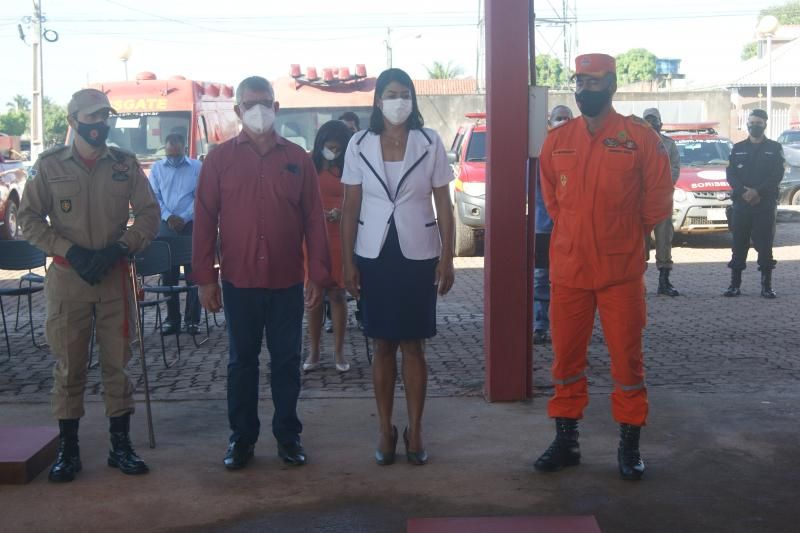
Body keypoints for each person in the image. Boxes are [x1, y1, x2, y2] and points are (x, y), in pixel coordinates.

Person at [535, 54, 673, 481]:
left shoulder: (639, 138)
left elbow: (657, 198)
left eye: (593, 82)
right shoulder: (558, 140)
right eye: (579, 82)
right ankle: (567, 441)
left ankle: (629, 445)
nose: (584, 90)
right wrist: (578, 232)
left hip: (620, 272)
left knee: (627, 364)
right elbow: (552, 201)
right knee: (565, 360)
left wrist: (628, 234)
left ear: (612, 86)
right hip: (569, 269)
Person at [18, 88, 160, 482]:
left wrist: (122, 246)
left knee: (117, 365)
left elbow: (149, 214)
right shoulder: (48, 166)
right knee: (69, 368)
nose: (99, 124)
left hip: (114, 278)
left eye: (104, 117)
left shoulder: (124, 164)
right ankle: (69, 449)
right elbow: (28, 219)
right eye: (92, 117)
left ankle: (120, 446)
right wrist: (68, 250)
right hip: (69, 280)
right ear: (73, 120)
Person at [192, 76, 332, 470]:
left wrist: (318, 273)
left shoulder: (298, 159)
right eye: (250, 104)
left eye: (265, 102)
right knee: (242, 363)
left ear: (276, 107)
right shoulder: (218, 160)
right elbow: (205, 220)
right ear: (238, 110)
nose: (258, 110)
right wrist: (205, 278)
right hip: (239, 281)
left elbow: (314, 220)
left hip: (287, 280)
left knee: (286, 361)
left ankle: (288, 436)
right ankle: (242, 439)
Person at [341, 68, 455, 466]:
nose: (398, 101)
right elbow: (350, 207)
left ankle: (416, 430)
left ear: (413, 100)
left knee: (414, 344)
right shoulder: (358, 143)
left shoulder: (430, 141)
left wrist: (448, 256)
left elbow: (444, 203)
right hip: (374, 254)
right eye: (391, 94)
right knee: (382, 344)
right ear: (378, 100)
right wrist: (347, 261)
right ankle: (385, 429)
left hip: (418, 253)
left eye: (405, 94)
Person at [303, 120, 354, 373]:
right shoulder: (308, 164)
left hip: (339, 236)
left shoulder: (349, 167)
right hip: (312, 236)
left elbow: (358, 199)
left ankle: (339, 351)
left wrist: (342, 213)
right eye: (329, 147)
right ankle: (313, 351)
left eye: (337, 148)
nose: (332, 152)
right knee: (313, 295)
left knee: (337, 294)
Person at [723, 109, 785, 299]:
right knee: (738, 244)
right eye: (751, 123)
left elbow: (777, 175)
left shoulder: (774, 148)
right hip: (741, 204)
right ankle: (734, 285)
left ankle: (766, 286)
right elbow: (731, 174)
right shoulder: (738, 148)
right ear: (747, 124)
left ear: (765, 124)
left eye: (758, 123)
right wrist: (743, 191)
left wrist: (757, 191)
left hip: (764, 204)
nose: (754, 126)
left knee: (765, 244)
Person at [148, 133, 203, 334]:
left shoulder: (197, 167)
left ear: (184, 149)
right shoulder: (157, 168)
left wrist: (185, 217)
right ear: (165, 150)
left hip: (190, 224)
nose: (173, 158)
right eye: (170, 155)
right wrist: (169, 217)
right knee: (168, 274)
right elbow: (154, 197)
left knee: (193, 274)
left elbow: (200, 197)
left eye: (177, 154)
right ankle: (172, 320)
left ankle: (192, 320)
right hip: (166, 224)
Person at [533, 105, 573, 345]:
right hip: (544, 227)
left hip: (572, 229)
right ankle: (540, 326)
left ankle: (568, 327)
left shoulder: (581, 152)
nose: (563, 122)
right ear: (549, 122)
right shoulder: (542, 152)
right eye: (559, 118)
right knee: (541, 276)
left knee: (571, 279)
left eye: (567, 118)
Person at [642, 108, 682, 297]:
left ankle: (664, 281)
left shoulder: (669, 144)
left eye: (654, 120)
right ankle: (638, 282)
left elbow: (675, 169)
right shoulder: (636, 142)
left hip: (662, 199)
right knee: (639, 242)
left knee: (664, 239)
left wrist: (661, 188)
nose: (651, 124)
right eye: (647, 120)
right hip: (641, 201)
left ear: (661, 123)